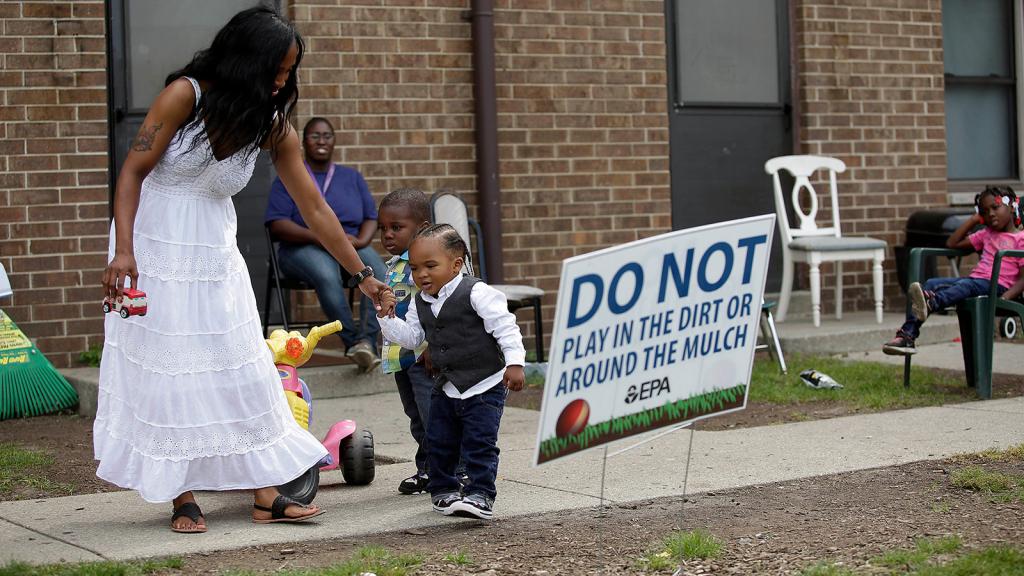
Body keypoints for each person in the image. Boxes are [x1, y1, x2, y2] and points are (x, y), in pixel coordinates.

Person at [96, 7, 391, 533]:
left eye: (288, 73)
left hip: (212, 251)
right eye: (276, 70)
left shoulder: (274, 123)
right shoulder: (184, 95)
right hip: (152, 243)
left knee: (243, 363)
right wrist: (122, 250)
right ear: (245, 61)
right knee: (168, 367)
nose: (282, 82)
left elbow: (316, 210)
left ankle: (265, 492)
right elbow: (134, 170)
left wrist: (358, 273)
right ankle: (181, 494)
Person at [377, 224, 525, 520]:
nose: (421, 275)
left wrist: (515, 362)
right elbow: (413, 339)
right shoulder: (421, 301)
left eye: (431, 266)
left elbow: (505, 327)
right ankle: (443, 491)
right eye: (416, 268)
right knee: (439, 439)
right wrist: (387, 317)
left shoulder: (478, 292)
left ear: (456, 264)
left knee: (479, 443)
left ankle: (480, 494)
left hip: (484, 384)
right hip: (446, 385)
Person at [265, 117, 386, 372]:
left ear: (334, 141)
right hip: (301, 248)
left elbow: (370, 217)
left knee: (377, 269)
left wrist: (362, 240)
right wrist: (319, 237)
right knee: (326, 273)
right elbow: (277, 224)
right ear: (303, 142)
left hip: (350, 244)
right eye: (314, 136)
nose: (321, 141)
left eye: (327, 136)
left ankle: (366, 342)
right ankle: (353, 342)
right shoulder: (290, 175)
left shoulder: (351, 177)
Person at [883, 186, 1024, 355]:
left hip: (998, 286)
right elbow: (952, 243)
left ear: (1012, 206)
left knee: (966, 285)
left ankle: (931, 304)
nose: (990, 214)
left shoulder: (1020, 239)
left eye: (995, 207)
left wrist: (1005, 297)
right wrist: (973, 220)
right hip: (975, 282)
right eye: (985, 212)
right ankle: (907, 336)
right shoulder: (986, 234)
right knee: (931, 283)